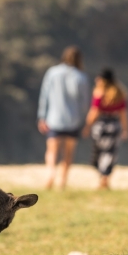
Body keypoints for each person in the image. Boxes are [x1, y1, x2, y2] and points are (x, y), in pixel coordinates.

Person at [37, 46, 91, 190]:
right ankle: (62, 181)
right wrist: (84, 120)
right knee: (68, 153)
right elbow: (85, 102)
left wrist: (42, 116)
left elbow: (44, 96)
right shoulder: (81, 76)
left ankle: (50, 174)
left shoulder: (52, 73)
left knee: (51, 151)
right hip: (73, 121)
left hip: (53, 119)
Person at [82, 68, 128, 190]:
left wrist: (87, 126)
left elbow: (94, 112)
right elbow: (123, 114)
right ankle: (105, 177)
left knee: (99, 152)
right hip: (114, 125)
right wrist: (125, 129)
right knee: (110, 153)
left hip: (101, 126)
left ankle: (102, 177)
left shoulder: (99, 94)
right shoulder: (120, 94)